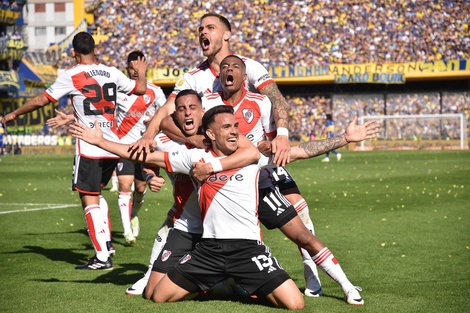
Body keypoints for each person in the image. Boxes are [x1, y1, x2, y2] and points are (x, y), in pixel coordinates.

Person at [69, 102, 378, 309]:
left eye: (235, 126)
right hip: (209, 251)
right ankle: (222, 285)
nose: (234, 131)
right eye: (227, 127)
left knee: (295, 303)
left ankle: (239, 282)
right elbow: (143, 156)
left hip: (249, 250)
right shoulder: (193, 158)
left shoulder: (254, 156)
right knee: (157, 296)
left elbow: (300, 152)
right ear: (210, 134)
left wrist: (344, 139)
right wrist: (99, 141)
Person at [128, 12, 323, 297]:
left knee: (297, 207)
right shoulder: (193, 77)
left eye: (210, 27)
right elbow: (168, 114)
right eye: (200, 29)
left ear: (226, 34)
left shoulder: (250, 66)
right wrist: (172, 136)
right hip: (217, 162)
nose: (202, 33)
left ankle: (311, 272)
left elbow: (277, 98)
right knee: (182, 214)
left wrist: (281, 134)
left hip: (256, 158)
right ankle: (152, 274)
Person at [163, 55, 377, 305]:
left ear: (245, 76)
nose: (229, 71)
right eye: (224, 68)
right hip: (220, 186)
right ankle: (218, 280)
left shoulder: (261, 103)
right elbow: (169, 120)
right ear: (218, 76)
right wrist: (195, 140)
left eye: (235, 68)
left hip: (259, 181)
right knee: (212, 238)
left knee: (303, 236)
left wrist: (343, 138)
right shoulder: (207, 101)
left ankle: (347, 286)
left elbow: (287, 148)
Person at [1, 31, 148, 270]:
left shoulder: (71, 74)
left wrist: (13, 114)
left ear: (73, 53)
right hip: (111, 146)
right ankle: (106, 244)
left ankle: (102, 257)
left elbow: (41, 100)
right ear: (95, 49)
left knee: (88, 197)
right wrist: (141, 71)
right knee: (97, 194)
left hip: (89, 146)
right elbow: (140, 89)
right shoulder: (112, 72)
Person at [127, 90, 259, 297]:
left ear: (202, 111)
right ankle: (150, 275)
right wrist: (152, 177)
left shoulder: (217, 134)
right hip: (186, 214)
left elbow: (251, 152)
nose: (188, 113)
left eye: (193, 108)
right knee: (168, 229)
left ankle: (231, 281)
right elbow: (148, 162)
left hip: (222, 217)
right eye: (182, 109)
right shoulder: (164, 139)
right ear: (175, 115)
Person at [114, 50, 167, 244]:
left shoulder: (155, 92)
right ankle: (127, 231)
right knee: (124, 185)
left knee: (140, 187)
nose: (135, 72)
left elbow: (165, 116)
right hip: (124, 147)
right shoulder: (118, 92)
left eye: (139, 68)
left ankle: (134, 214)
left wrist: (154, 120)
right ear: (126, 68)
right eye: (132, 68)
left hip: (146, 149)